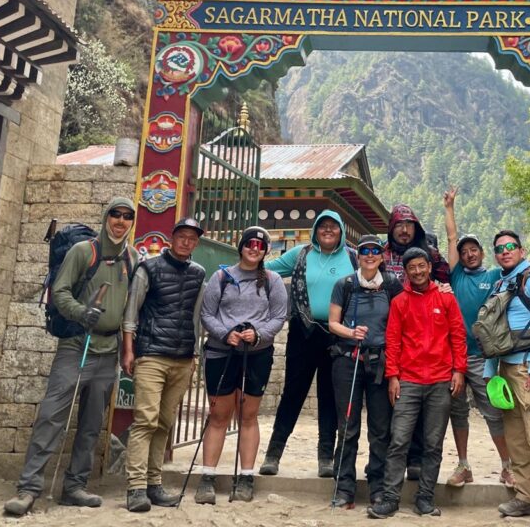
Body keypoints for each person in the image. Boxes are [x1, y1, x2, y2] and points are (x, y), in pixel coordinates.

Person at [4, 197, 136, 516]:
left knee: (91, 424)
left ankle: (74, 486)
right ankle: (29, 487)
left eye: (127, 216)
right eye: (115, 215)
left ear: (132, 222)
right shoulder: (83, 252)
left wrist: (128, 348)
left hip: (108, 350)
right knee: (52, 416)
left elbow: (131, 305)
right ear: (106, 217)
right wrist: (80, 311)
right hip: (77, 344)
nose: (120, 220)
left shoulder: (132, 258)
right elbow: (59, 291)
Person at [367, 247, 467, 519]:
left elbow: (458, 336)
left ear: (429, 267)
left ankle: (425, 497)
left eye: (422, 266)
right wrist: (393, 376)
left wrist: (459, 370)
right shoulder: (400, 301)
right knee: (399, 440)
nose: (418, 271)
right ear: (406, 271)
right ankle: (390, 498)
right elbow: (393, 341)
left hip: (441, 380)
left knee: (433, 443)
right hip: (408, 381)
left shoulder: (446, 299)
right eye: (413, 268)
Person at [259, 210, 356, 477]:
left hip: (338, 336)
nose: (327, 230)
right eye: (322, 226)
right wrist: (236, 271)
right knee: (293, 392)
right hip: (303, 333)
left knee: (329, 396)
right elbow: (266, 270)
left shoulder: (352, 258)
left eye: (333, 226)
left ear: (341, 231)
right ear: (314, 229)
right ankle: (273, 454)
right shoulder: (301, 254)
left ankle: (325, 456)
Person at [196, 226, 287, 504]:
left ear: (265, 251)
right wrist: (226, 333)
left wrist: (257, 334)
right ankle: (207, 477)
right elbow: (207, 313)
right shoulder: (221, 277)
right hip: (222, 352)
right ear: (241, 246)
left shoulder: (272, 281)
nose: (254, 249)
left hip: (256, 353)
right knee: (219, 415)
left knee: (248, 415)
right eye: (250, 244)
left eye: (260, 246)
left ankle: (246, 477)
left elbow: (278, 316)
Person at [121, 217, 206, 512]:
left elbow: (195, 319)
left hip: (182, 358)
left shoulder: (198, 273)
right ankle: (135, 488)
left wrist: (194, 355)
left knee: (165, 422)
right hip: (152, 354)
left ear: (197, 242)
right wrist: (129, 350)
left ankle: (154, 484)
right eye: (182, 236)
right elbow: (132, 310)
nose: (186, 242)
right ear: (172, 237)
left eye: (192, 238)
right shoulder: (149, 268)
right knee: (145, 420)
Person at [483, 231, 530, 527]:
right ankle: (526, 497)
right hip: (507, 368)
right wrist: (491, 372)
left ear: (521, 250)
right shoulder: (502, 282)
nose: (505, 251)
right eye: (500, 248)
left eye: (510, 246)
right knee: (516, 437)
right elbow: (495, 328)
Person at [441, 187, 515, 489]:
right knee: (457, 413)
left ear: (483, 253)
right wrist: (449, 208)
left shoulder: (495, 276)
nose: (469, 253)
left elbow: (517, 272)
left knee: (493, 412)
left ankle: (507, 466)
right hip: (455, 357)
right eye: (464, 250)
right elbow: (450, 237)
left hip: (485, 358)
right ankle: (463, 465)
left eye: (474, 249)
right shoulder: (455, 276)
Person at [328, 235, 405, 509]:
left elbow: (402, 320)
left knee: (380, 428)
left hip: (381, 363)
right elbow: (332, 323)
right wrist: (351, 332)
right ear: (357, 256)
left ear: (382, 256)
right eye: (364, 251)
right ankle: (343, 486)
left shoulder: (393, 285)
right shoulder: (345, 285)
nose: (370, 256)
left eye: (375, 251)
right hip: (348, 360)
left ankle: (378, 486)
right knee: (347, 426)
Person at [383, 204, 450, 283]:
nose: (404, 230)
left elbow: (453, 279)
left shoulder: (430, 254)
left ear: (415, 228)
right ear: (392, 228)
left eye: (409, 224)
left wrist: (442, 289)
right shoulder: (380, 254)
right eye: (399, 224)